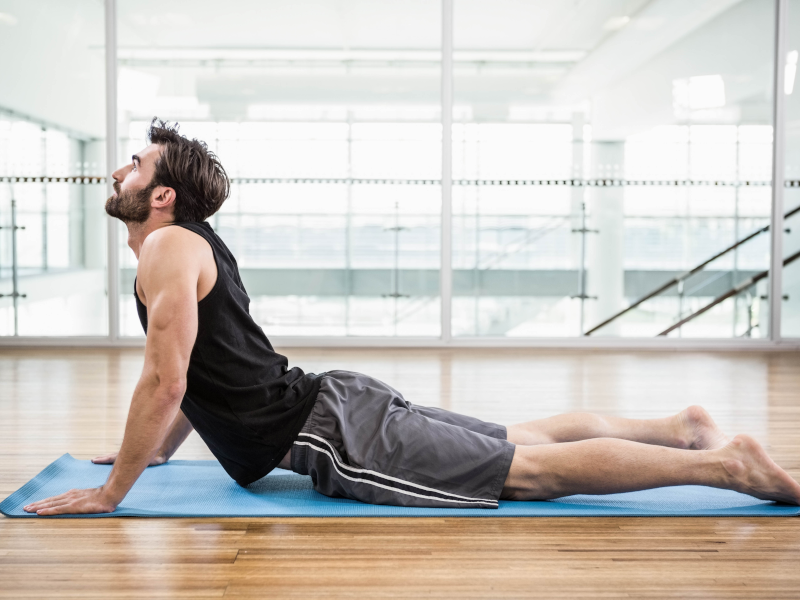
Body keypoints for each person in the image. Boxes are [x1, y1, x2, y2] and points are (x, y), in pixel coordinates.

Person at [24, 120, 800, 516]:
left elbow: (167, 378)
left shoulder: (163, 249)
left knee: (526, 472)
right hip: (335, 402)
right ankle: (678, 427)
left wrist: (112, 493)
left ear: (161, 196)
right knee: (517, 437)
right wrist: (155, 458)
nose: (121, 168)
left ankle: (724, 467)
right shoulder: (183, 246)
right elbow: (194, 377)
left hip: (332, 432)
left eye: (136, 162)